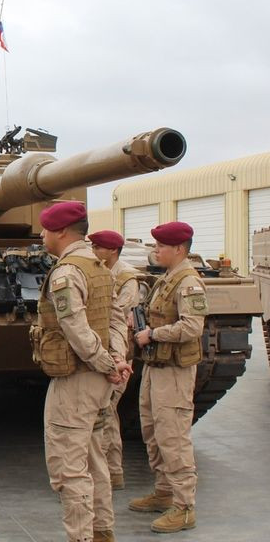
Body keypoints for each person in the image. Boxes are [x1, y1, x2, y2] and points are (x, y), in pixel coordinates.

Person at [32, 202, 131, 542]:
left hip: (77, 380)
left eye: (46, 230)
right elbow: (118, 319)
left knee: (69, 469)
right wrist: (116, 360)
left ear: (61, 231)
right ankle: (102, 532)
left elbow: (75, 328)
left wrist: (106, 363)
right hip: (100, 379)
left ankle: (81, 537)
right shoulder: (99, 266)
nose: (42, 235)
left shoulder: (67, 272)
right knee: (94, 461)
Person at [128, 221, 205, 534]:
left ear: (179, 249)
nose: (155, 250)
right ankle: (164, 492)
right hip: (155, 367)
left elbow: (192, 328)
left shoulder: (188, 282)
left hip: (173, 371)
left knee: (173, 436)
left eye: (160, 246)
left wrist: (153, 333)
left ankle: (184, 507)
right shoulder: (167, 279)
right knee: (153, 430)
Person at [88, 230, 142, 491]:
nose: (93, 250)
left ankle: (108, 475)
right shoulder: (96, 270)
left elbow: (114, 316)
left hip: (116, 353)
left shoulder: (126, 278)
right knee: (105, 413)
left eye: (98, 247)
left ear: (112, 251)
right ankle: (111, 473)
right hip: (101, 353)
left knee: (106, 413)